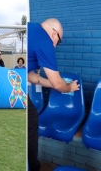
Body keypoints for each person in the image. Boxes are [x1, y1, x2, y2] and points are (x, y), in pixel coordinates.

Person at [27, 18, 80, 171]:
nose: (56, 45)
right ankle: (32, 166)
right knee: (30, 119)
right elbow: (58, 83)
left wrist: (54, 84)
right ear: (54, 33)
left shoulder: (31, 28)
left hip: (11, 81)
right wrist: (68, 87)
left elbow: (31, 77)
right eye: (59, 41)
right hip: (13, 84)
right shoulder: (45, 42)